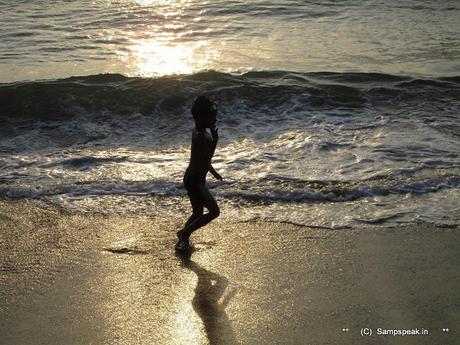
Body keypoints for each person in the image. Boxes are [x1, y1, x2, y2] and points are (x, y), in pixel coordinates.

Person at [176, 95, 222, 251]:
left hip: (193, 177)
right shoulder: (201, 136)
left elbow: (201, 159)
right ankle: (183, 233)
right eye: (211, 115)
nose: (215, 118)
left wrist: (213, 172)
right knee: (214, 211)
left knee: (197, 212)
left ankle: (183, 239)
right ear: (201, 117)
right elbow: (205, 158)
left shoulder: (201, 131)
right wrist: (215, 141)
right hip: (195, 180)